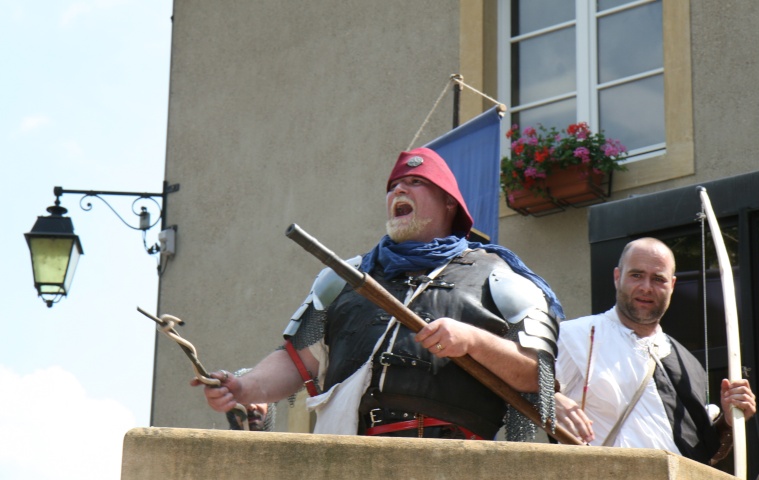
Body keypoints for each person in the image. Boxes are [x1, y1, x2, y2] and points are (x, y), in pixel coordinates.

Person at [192, 147, 564, 441]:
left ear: (450, 201)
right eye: (393, 187)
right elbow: (298, 361)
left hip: (452, 467)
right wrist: (244, 387)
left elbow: (539, 376)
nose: (399, 190)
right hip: (348, 460)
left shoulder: (499, 275)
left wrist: (471, 340)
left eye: (416, 182)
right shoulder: (345, 277)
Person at [554, 237, 757, 465]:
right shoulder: (573, 336)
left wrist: (730, 422)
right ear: (617, 277)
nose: (646, 287)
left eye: (658, 279)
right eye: (636, 275)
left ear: (672, 285)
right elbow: (520, 388)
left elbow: (706, 453)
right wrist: (553, 400)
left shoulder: (688, 365)